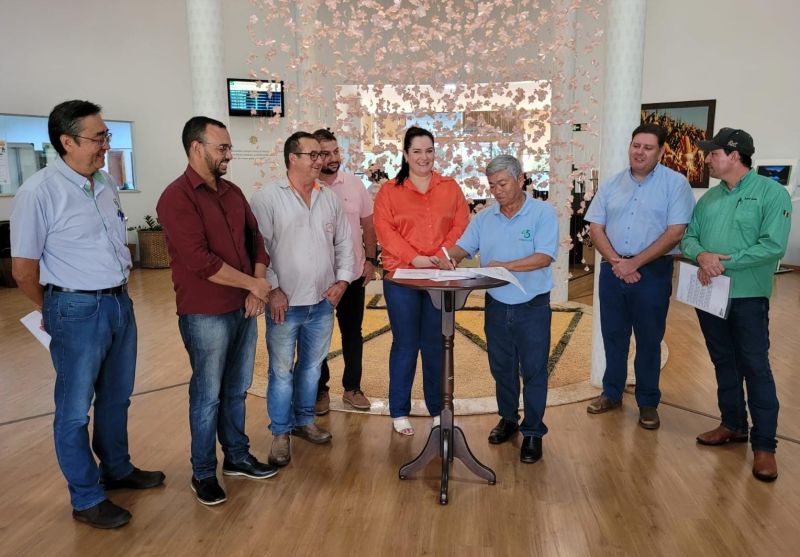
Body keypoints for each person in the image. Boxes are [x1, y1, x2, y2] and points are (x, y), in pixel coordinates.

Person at [10, 100, 164, 529]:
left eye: (106, 136)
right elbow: (22, 270)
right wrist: (51, 308)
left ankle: (117, 468)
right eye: (98, 137)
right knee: (75, 410)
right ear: (67, 141)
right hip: (74, 307)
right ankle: (86, 496)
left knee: (116, 397)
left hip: (119, 302)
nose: (106, 145)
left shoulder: (105, 182)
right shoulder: (39, 192)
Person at [157, 116, 278, 506]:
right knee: (207, 395)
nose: (229, 155)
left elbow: (256, 241)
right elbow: (200, 261)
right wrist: (253, 286)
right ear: (197, 148)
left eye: (228, 147)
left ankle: (237, 457)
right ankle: (203, 472)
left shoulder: (232, 192)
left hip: (243, 306)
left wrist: (256, 285)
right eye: (222, 148)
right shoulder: (176, 198)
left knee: (236, 388)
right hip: (205, 312)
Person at [681, 128, 791, 482]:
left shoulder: (772, 194)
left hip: (748, 296)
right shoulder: (709, 200)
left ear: (734, 155)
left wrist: (721, 263)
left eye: (713, 154)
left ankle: (765, 446)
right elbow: (689, 238)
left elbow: (772, 246)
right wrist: (702, 256)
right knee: (722, 361)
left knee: (755, 367)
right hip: (709, 295)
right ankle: (733, 424)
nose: (707, 159)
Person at [441, 155, 558, 463]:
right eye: (492, 185)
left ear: (521, 179)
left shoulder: (543, 213)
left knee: (533, 370)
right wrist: (450, 257)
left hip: (532, 305)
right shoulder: (484, 218)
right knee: (501, 367)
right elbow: (464, 247)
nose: (497, 191)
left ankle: (533, 431)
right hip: (496, 304)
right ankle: (508, 418)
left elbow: (544, 256)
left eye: (503, 183)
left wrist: (505, 266)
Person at [250, 131, 355, 467]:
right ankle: (280, 432)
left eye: (321, 155)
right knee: (281, 371)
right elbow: (258, 249)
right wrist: (272, 289)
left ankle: (304, 421)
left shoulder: (328, 198)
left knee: (311, 368)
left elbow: (344, 243)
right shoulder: (267, 198)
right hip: (284, 304)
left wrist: (342, 281)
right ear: (292, 158)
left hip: (321, 302)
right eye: (312, 155)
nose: (320, 161)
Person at [584, 123, 695, 429]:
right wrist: (617, 261)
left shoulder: (676, 184)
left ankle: (647, 402)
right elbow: (595, 227)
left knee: (648, 339)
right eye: (636, 146)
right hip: (613, 270)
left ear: (661, 151)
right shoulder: (612, 183)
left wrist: (635, 263)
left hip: (653, 271)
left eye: (648, 147)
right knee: (613, 335)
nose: (640, 152)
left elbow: (675, 233)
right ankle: (611, 393)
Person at [373, 126, 469, 436]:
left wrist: (441, 255)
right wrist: (413, 258)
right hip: (402, 278)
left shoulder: (450, 187)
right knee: (405, 343)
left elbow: (461, 223)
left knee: (435, 343)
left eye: (429, 151)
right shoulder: (390, 191)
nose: (424, 157)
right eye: (417, 151)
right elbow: (384, 230)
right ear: (405, 154)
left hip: (438, 276)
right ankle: (399, 410)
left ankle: (438, 409)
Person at [311, 129, 377, 415]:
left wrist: (371, 260)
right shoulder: (308, 187)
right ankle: (320, 391)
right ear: (315, 156)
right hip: (320, 277)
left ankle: (352, 388)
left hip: (352, 274)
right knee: (318, 335)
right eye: (326, 153)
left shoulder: (354, 184)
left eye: (336, 152)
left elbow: (369, 225)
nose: (333, 158)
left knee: (353, 333)